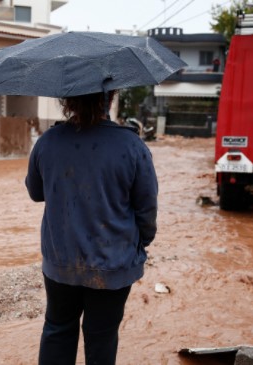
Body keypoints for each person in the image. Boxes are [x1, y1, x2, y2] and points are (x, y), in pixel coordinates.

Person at [25, 90, 158, 365]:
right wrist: (140, 244)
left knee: (58, 329)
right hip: (114, 263)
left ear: (67, 100)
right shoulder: (132, 145)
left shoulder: (48, 141)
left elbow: (36, 192)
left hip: (60, 260)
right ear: (109, 99)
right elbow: (147, 210)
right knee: (101, 337)